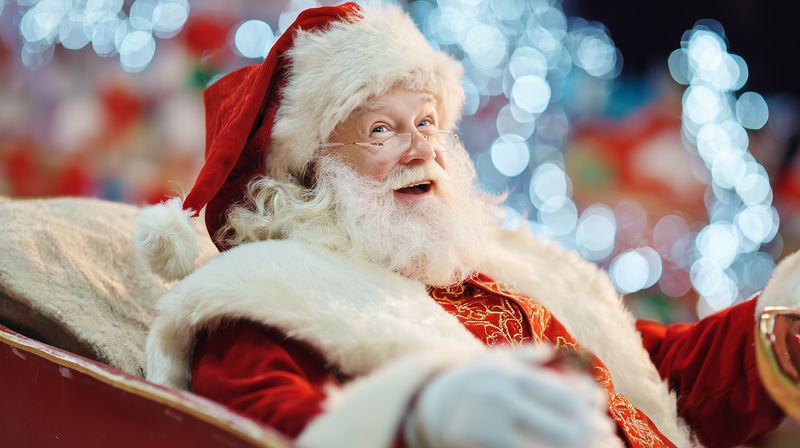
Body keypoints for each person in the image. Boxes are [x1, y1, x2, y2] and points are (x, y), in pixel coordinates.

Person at [136, 3, 793, 447]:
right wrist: (422, 417)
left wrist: (781, 314)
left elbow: (650, 378)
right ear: (310, 167)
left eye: (426, 122)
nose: (422, 148)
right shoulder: (265, 293)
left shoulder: (501, 267)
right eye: (382, 130)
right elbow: (259, 426)